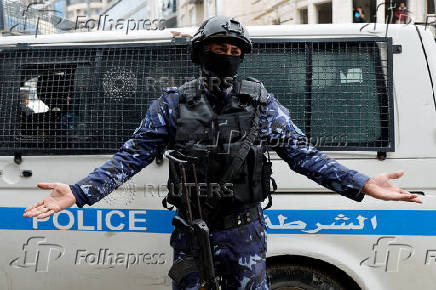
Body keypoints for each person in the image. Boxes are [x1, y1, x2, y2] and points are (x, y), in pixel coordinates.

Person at [23, 16, 422, 289]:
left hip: (244, 230)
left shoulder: (261, 104)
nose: (227, 54)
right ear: (201, 52)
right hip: (191, 230)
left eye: (235, 49)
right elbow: (132, 156)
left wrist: (364, 182)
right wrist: (80, 192)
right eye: (219, 46)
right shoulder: (173, 103)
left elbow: (304, 155)